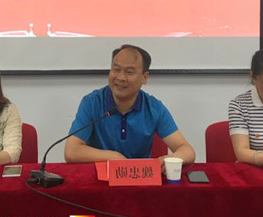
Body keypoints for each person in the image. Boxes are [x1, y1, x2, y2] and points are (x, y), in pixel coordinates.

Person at [64, 45, 195, 165]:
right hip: (99, 177)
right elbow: (71, 151)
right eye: (116, 69)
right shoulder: (92, 102)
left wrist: (169, 160)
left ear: (144, 77)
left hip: (139, 178)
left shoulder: (154, 108)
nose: (121, 77)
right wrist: (114, 157)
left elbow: (187, 151)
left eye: (129, 72)